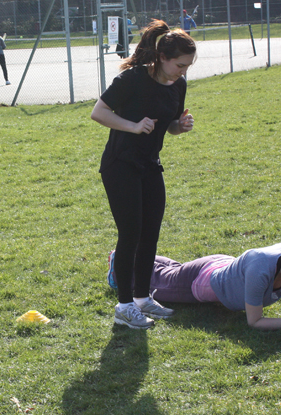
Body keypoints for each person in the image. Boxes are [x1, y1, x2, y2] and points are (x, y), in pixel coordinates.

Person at [90, 20, 196, 329]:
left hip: (150, 163)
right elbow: (99, 112)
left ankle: (142, 298)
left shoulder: (179, 84)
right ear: (162, 57)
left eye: (188, 66)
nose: (183, 71)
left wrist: (181, 126)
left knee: (151, 232)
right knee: (131, 234)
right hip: (120, 163)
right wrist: (134, 126)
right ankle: (124, 307)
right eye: (179, 64)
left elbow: (170, 125)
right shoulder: (133, 79)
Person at [108, 243, 281, 331]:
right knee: (157, 281)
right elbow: (254, 321)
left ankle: (131, 254)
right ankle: (118, 264)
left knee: (173, 271)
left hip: (221, 267)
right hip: (201, 283)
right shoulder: (263, 271)